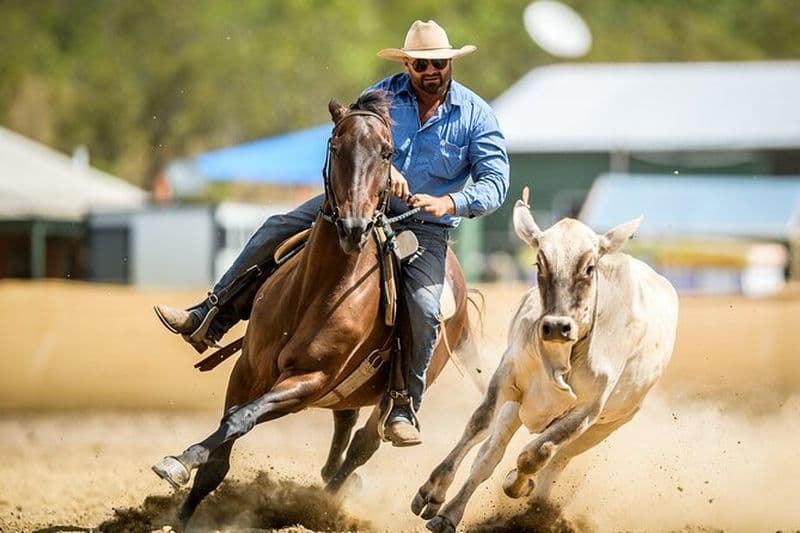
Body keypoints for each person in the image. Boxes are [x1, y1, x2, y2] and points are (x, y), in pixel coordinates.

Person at [155, 19, 509, 446]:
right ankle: (211, 315)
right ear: (408, 64)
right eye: (421, 65)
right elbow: (356, 137)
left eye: (438, 63)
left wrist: (449, 203)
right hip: (359, 199)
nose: (430, 72)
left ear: (449, 63)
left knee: (424, 304)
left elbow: (495, 182)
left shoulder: (475, 115)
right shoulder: (383, 96)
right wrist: (385, 166)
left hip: (424, 224)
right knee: (276, 229)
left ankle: (401, 403)